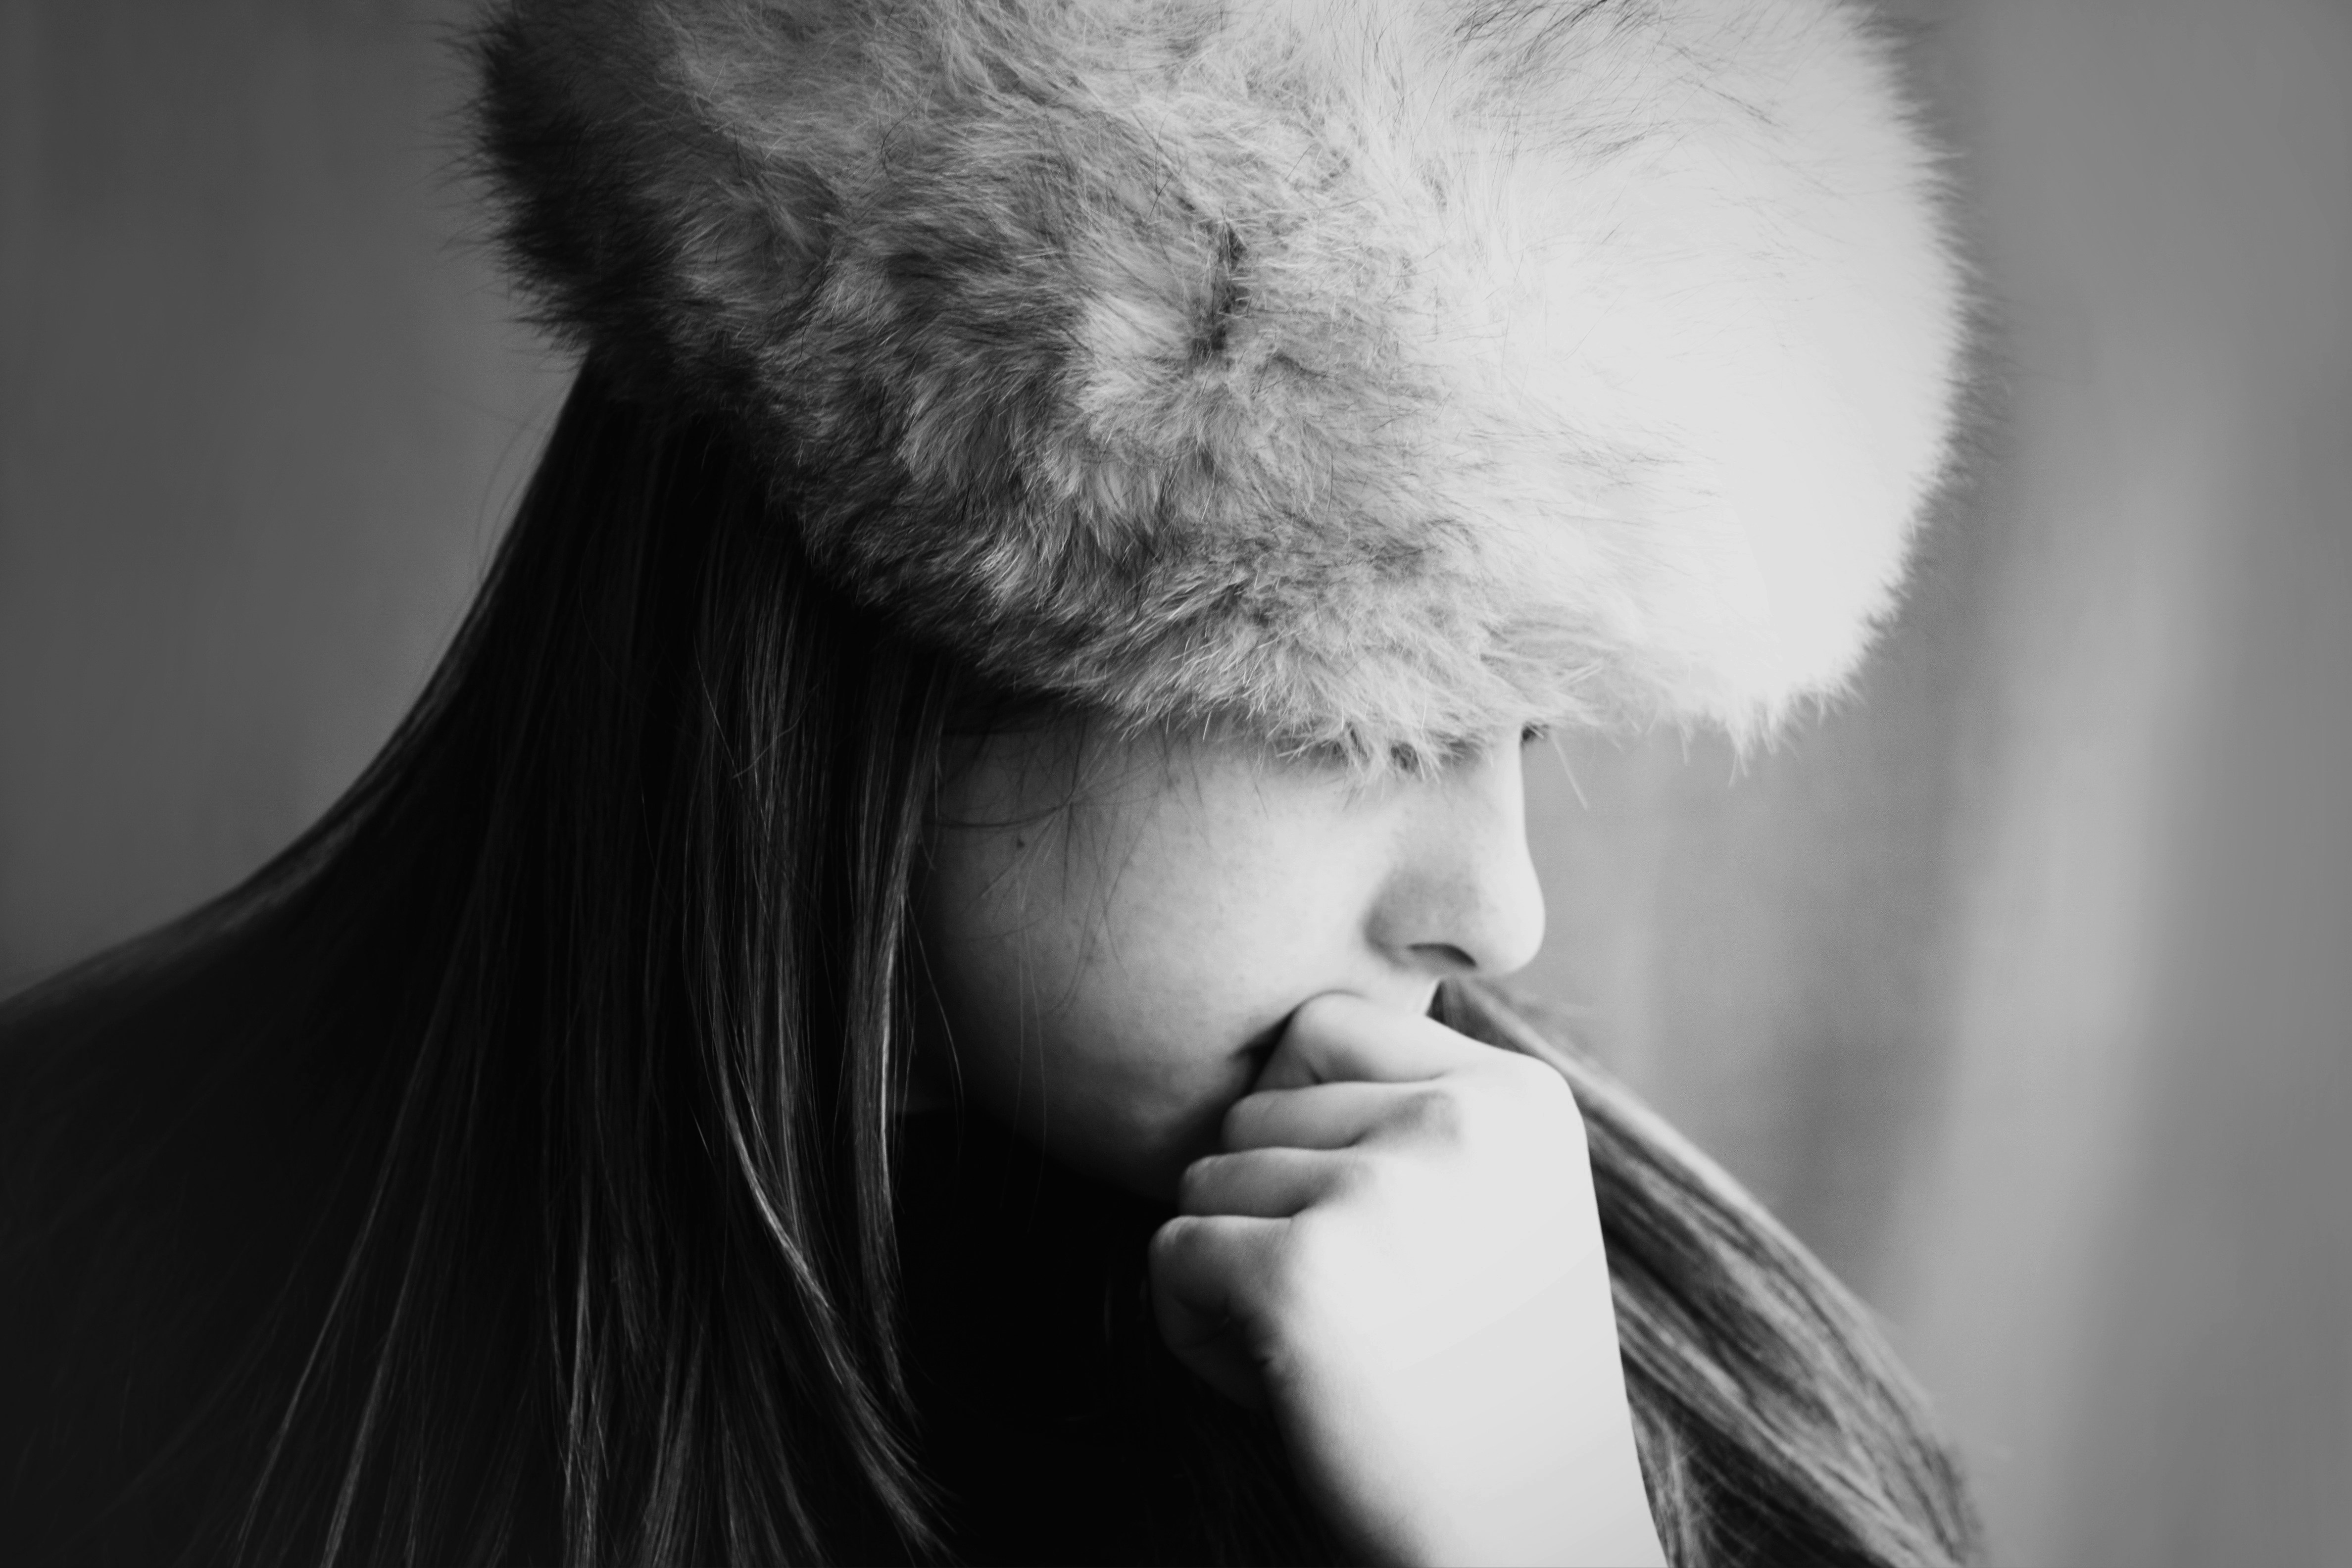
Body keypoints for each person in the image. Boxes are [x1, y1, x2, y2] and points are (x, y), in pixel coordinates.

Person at [0, 0, 1981, 1562]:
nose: (1500, 912)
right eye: (1371, 727)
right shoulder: (83, 1293)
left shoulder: (1661, 1380)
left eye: (1528, 732)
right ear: (917, 629)